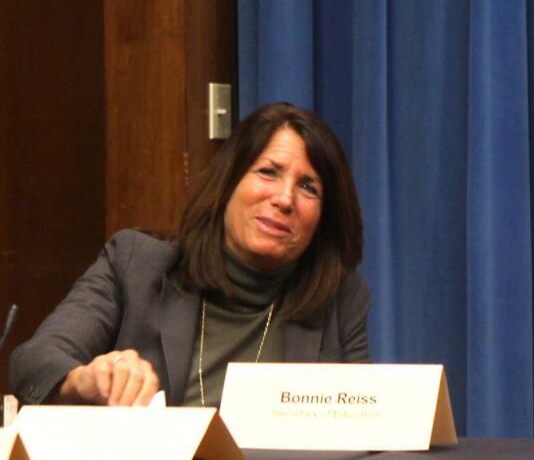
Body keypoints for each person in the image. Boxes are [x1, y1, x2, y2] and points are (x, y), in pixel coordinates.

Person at [9, 102, 369, 407]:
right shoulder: (135, 263)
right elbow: (33, 363)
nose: (284, 198)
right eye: (268, 172)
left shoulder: (340, 297)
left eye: (308, 187)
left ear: (325, 216)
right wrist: (85, 379)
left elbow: (365, 425)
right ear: (229, 182)